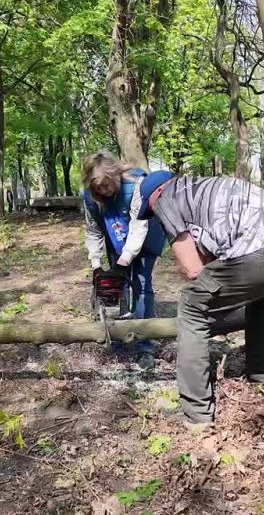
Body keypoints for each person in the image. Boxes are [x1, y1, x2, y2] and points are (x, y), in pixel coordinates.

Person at [136, 171, 264, 427]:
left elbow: (193, 270)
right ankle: (261, 378)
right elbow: (222, 259)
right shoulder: (206, 187)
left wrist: (207, 308)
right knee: (261, 296)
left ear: (155, 195)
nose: (157, 217)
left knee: (191, 304)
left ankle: (196, 413)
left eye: (152, 212)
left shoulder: (165, 197)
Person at [82, 151, 166, 370]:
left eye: (107, 185)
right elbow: (93, 231)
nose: (103, 191)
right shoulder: (91, 198)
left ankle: (144, 345)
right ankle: (118, 336)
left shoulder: (136, 185)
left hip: (146, 237)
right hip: (115, 235)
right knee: (113, 286)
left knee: (142, 284)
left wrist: (124, 262)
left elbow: (139, 227)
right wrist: (96, 265)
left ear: (117, 173)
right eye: (98, 188)